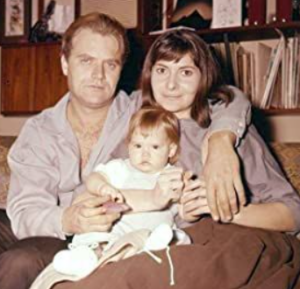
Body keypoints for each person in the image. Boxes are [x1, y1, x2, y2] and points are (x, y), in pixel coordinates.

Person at [0, 13, 251, 289]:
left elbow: (227, 97)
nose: (98, 75)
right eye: (86, 61)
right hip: (58, 222)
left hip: (93, 238)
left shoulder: (141, 111)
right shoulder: (39, 131)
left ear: (121, 69)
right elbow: (25, 212)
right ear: (64, 63)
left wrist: (220, 143)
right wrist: (69, 219)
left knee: (19, 263)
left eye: (110, 64)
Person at [51, 26, 300, 289]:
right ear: (149, 75)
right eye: (162, 71)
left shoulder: (231, 133)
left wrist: (226, 209)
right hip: (165, 242)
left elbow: (293, 213)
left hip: (234, 239)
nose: (170, 85)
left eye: (185, 72)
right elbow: (101, 194)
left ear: (203, 78)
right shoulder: (140, 132)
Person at [31, 106, 192, 288]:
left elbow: (185, 211)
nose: (144, 153)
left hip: (153, 234)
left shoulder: (172, 176)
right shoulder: (121, 168)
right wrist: (103, 187)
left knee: (178, 236)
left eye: (155, 147)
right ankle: (84, 258)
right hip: (117, 233)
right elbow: (94, 178)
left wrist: (190, 204)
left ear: (171, 150)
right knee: (96, 231)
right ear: (129, 145)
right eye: (138, 145)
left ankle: (154, 248)